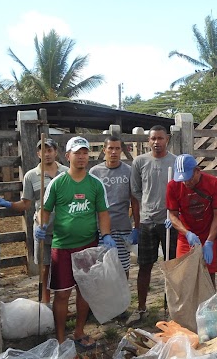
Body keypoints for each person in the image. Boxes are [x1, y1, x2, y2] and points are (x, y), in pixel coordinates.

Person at [36, 136, 115, 347]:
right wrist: (41, 225)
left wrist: (106, 235)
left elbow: (103, 213)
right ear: (68, 155)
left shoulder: (95, 184)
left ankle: (79, 332)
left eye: (85, 153)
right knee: (62, 294)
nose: (81, 157)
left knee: (85, 290)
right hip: (62, 246)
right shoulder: (57, 184)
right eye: (77, 152)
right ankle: (61, 338)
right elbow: (44, 211)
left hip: (87, 246)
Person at [0, 138, 68, 305]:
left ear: (56, 152)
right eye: (43, 151)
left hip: (65, 227)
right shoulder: (31, 176)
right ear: (38, 154)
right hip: (43, 228)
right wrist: (8, 204)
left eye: (50, 150)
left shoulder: (67, 172)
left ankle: (62, 303)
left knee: (63, 268)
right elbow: (26, 203)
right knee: (45, 267)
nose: (47, 154)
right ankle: (45, 303)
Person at [129, 125, 177, 325]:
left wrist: (172, 210)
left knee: (172, 266)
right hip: (148, 221)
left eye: (160, 138)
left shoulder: (174, 161)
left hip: (169, 222)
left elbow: (180, 190)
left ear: (167, 139)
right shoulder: (140, 162)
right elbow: (136, 190)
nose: (156, 142)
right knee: (144, 266)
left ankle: (172, 308)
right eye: (153, 138)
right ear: (148, 141)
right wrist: (147, 207)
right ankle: (141, 308)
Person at [167, 154, 217, 285]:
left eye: (189, 178)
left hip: (208, 233)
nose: (186, 182)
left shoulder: (213, 183)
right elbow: (173, 215)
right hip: (186, 236)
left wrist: (210, 241)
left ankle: (208, 304)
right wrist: (186, 233)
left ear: (197, 171)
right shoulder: (173, 186)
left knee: (208, 277)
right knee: (183, 276)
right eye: (182, 179)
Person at [89, 135, 140, 278]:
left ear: (122, 150)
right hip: (99, 230)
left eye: (117, 148)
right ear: (104, 149)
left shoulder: (129, 171)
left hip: (122, 227)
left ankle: (123, 299)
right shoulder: (95, 173)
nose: (114, 152)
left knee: (123, 268)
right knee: (102, 269)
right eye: (110, 148)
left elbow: (134, 201)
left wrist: (137, 226)